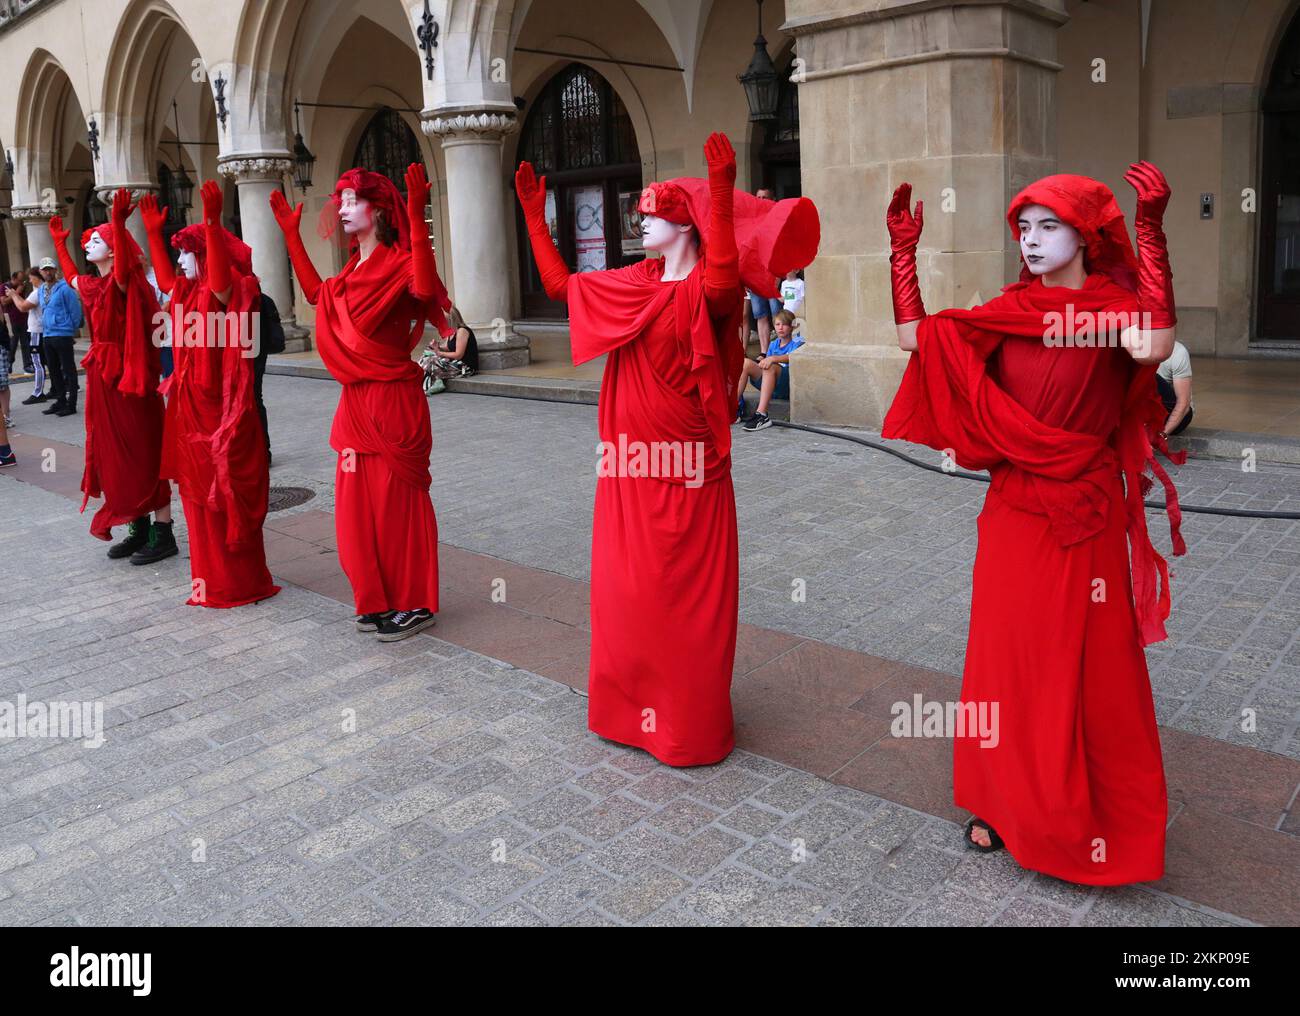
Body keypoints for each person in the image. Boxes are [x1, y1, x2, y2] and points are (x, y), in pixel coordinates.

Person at [881, 164, 1186, 885]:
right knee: (1006, 664)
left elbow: (1155, 346)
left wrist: (1151, 233)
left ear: (1084, 235)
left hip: (1082, 514)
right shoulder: (1010, 307)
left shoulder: (1114, 309)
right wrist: (901, 256)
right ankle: (999, 801)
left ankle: (1088, 819)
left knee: (1088, 670)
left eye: (1049, 225)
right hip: (1015, 512)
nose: (1032, 238)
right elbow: (918, 343)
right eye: (1024, 225)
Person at [515, 133, 819, 766]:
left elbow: (725, 278)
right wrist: (534, 220)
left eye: (650, 213)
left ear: (684, 224)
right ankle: (629, 712)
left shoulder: (709, 289)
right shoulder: (635, 281)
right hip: (628, 470)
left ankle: (684, 723)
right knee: (629, 597)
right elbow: (561, 287)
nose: (640, 221)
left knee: (683, 603)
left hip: (688, 471)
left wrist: (719, 190)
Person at [270, 163, 449, 642]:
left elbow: (427, 291)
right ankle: (376, 598)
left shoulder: (402, 262)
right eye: (341, 199)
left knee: (397, 509)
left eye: (353, 200)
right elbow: (316, 295)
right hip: (354, 403)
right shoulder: (349, 271)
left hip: (393, 402)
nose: (342, 208)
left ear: (380, 209)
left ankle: (414, 603)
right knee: (356, 513)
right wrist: (291, 237)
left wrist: (416, 214)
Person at [140, 184, 280, 609]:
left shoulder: (233, 290)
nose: (180, 260)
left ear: (205, 254)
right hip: (191, 413)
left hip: (225, 417)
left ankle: (236, 583)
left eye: (187, 251)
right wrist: (152, 235)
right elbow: (167, 279)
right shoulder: (185, 292)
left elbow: (219, 283)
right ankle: (209, 580)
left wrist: (215, 223)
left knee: (224, 496)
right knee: (199, 502)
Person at [48, 190, 176, 563]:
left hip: (131, 373)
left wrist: (118, 224)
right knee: (115, 453)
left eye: (97, 240)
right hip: (103, 376)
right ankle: (136, 528)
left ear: (115, 250)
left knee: (144, 449)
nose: (89, 243)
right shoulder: (90, 286)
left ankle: (163, 533)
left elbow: (121, 273)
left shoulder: (124, 283)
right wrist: (60, 242)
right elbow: (72, 276)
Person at [27, 257, 81, 417]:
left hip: (62, 334)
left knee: (69, 369)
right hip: (48, 334)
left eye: (50, 269)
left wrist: (69, 329)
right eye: (45, 269)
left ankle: (72, 404)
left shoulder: (65, 288)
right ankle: (60, 400)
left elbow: (76, 312)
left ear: (55, 270)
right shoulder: (42, 289)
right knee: (54, 370)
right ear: (41, 272)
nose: (48, 272)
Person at [736, 308, 803, 431]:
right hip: (770, 384)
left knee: (770, 366)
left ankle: (762, 415)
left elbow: (794, 357)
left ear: (792, 326)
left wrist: (773, 358)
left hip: (785, 385)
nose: (780, 327)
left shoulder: (797, 343)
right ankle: (732, 407)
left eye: (784, 324)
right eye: (777, 324)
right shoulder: (773, 344)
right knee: (746, 363)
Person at [254, 289, 285, 463]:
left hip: (253, 353)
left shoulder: (254, 300)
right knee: (257, 399)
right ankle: (264, 451)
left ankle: (263, 451)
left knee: (254, 400)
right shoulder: (263, 298)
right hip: (259, 352)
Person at [420, 304, 478, 393]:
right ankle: (424, 384)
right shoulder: (452, 331)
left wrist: (440, 353)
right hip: (455, 363)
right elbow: (448, 347)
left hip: (465, 367)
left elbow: (458, 354)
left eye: (443, 320)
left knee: (431, 361)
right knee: (427, 355)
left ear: (451, 319)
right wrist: (436, 347)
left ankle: (426, 386)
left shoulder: (462, 331)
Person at [17, 267, 47, 404]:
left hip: (36, 331)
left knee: (37, 363)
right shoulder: (47, 290)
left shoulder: (37, 292)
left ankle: (38, 392)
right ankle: (59, 389)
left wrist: (13, 295)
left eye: (31, 277)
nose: (29, 280)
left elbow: (23, 307)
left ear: (37, 277)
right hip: (45, 330)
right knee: (51, 362)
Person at [1155, 338, 1194, 437]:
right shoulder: (1131, 348)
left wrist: (1163, 434)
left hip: (1177, 415)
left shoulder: (1178, 351)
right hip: (1145, 412)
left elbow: (1183, 404)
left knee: (1149, 375)